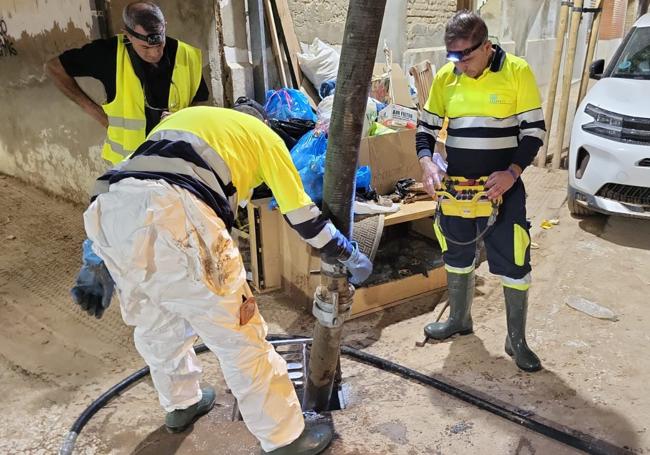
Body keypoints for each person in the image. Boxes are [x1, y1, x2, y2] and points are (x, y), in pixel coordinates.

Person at [70, 106, 372, 454]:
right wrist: (347, 253)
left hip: (107, 210)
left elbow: (133, 186)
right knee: (239, 335)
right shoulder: (264, 138)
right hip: (178, 210)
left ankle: (181, 404)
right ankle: (285, 437)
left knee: (156, 321)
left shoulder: (182, 121)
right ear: (263, 122)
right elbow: (303, 216)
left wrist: (96, 258)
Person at [416, 11, 546, 372]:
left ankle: (516, 339)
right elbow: (425, 129)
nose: (458, 65)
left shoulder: (517, 72)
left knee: (514, 261)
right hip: (457, 189)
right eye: (451, 57)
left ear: (487, 47)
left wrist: (512, 172)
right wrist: (427, 163)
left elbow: (534, 132)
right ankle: (459, 319)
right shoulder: (447, 78)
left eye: (465, 56)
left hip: (502, 189)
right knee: (456, 255)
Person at [45, 1, 209, 164]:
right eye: (145, 47)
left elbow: (200, 99)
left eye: (159, 44)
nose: (154, 53)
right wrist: (97, 113)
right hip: (128, 165)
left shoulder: (187, 55)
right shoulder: (107, 54)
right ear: (128, 35)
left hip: (176, 159)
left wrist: (181, 118)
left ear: (164, 26)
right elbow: (54, 68)